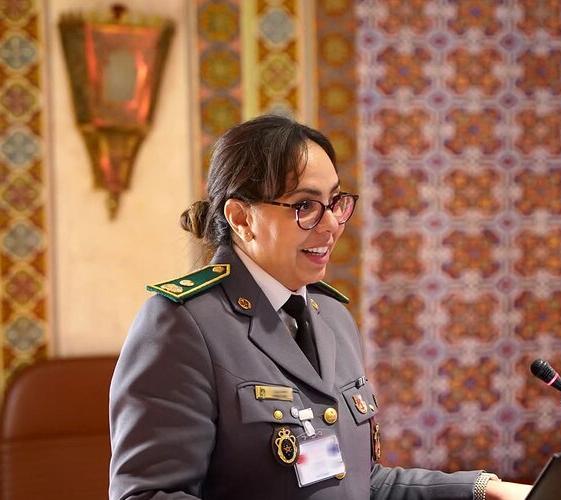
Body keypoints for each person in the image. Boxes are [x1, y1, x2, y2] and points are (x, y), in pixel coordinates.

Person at [109, 115, 532, 500]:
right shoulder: (183, 324)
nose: (330, 225)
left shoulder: (332, 317)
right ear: (241, 218)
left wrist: (485, 491)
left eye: (335, 202)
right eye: (305, 207)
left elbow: (359, 483)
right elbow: (148, 496)